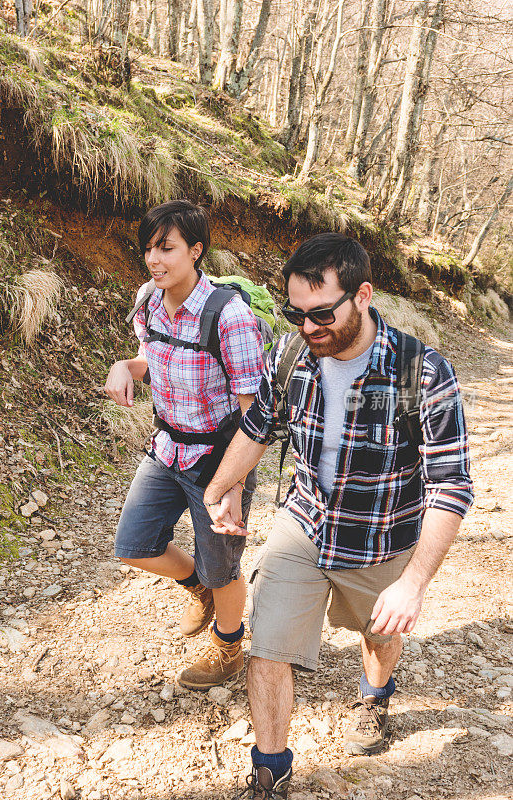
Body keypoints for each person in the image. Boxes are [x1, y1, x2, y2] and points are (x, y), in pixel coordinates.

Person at [203, 233, 474, 799]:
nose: (308, 327)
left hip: (382, 537)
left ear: (364, 295)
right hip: (303, 524)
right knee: (268, 646)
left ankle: (374, 697)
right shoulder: (294, 355)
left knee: (379, 634)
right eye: (295, 313)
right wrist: (222, 486)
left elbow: (451, 484)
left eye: (322, 313)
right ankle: (269, 772)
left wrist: (414, 583)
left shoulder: (417, 373)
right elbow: (260, 427)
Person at [105, 200, 264, 689]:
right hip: (167, 448)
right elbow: (149, 358)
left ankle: (229, 646)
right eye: (148, 249)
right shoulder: (147, 300)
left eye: (166, 248)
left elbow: (254, 410)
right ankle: (199, 587)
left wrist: (232, 485)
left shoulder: (229, 316)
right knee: (133, 545)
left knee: (224, 567)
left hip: (218, 459)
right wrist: (123, 368)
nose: (154, 260)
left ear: (196, 251)